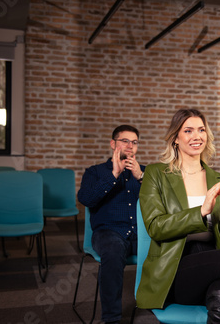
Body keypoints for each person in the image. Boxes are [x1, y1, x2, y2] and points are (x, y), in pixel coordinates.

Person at [137, 109, 220, 324]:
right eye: (188, 130)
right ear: (175, 138)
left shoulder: (218, 179)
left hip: (214, 261)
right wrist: (200, 211)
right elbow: (155, 227)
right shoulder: (156, 174)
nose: (196, 136)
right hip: (174, 267)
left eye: (201, 130)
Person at [77, 125, 145, 324]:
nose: (130, 146)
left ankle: (165, 308)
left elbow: (164, 202)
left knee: (173, 244)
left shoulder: (144, 173)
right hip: (109, 233)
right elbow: (86, 199)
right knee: (114, 251)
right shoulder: (95, 172)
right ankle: (112, 319)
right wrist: (113, 175)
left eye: (134, 142)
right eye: (125, 141)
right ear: (113, 144)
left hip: (141, 234)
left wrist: (141, 177)